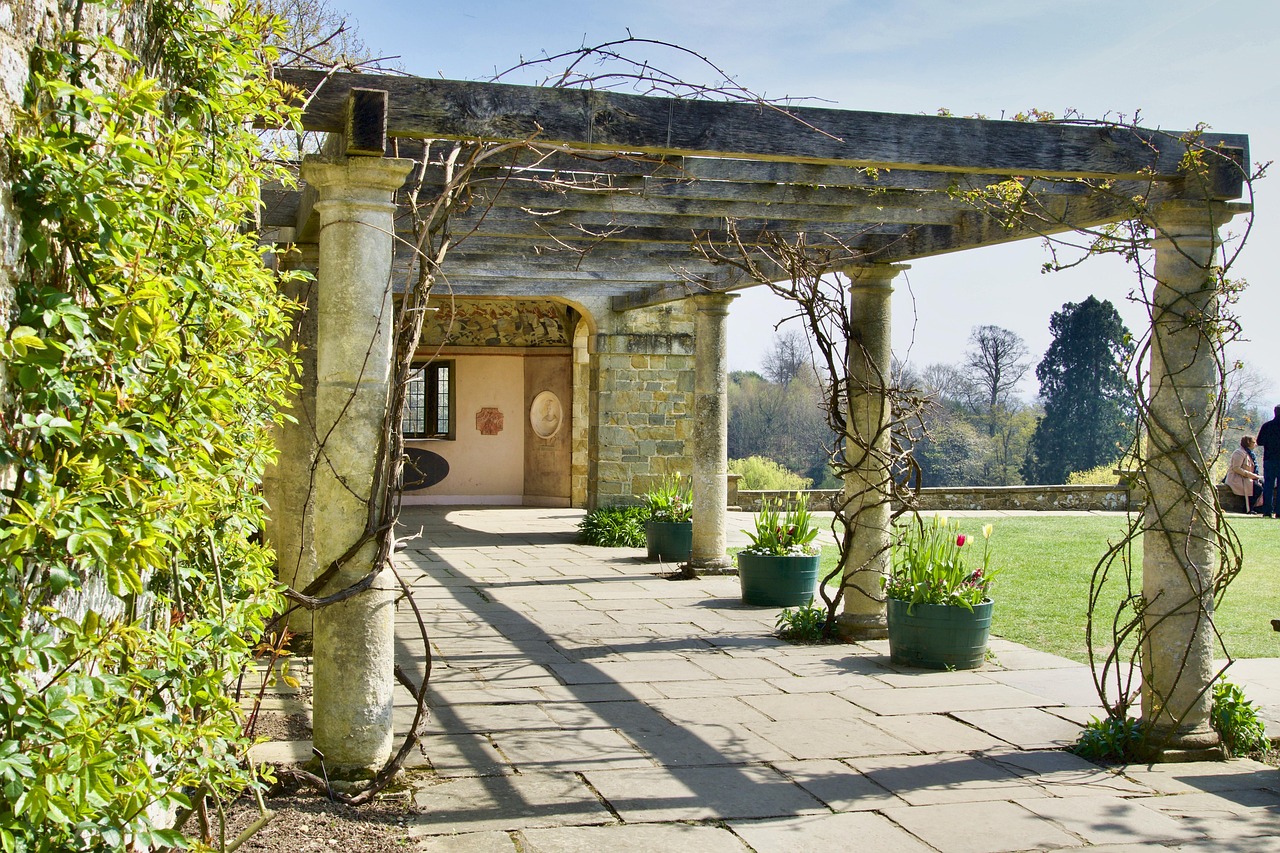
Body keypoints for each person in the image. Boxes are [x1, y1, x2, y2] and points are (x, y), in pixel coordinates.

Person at [1226, 436, 1264, 514]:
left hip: (1246, 478)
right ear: (1248, 442)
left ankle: (1257, 507)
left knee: (1261, 485)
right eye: (1253, 442)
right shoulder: (1239, 453)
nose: (1255, 444)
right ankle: (1248, 509)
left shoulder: (1250, 454)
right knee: (1257, 488)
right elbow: (1236, 468)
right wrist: (1251, 475)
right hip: (1237, 478)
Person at [1257, 406, 1280, 516]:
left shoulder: (1267, 426)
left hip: (1269, 458)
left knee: (1268, 485)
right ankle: (1279, 511)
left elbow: (1259, 441)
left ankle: (1267, 511)